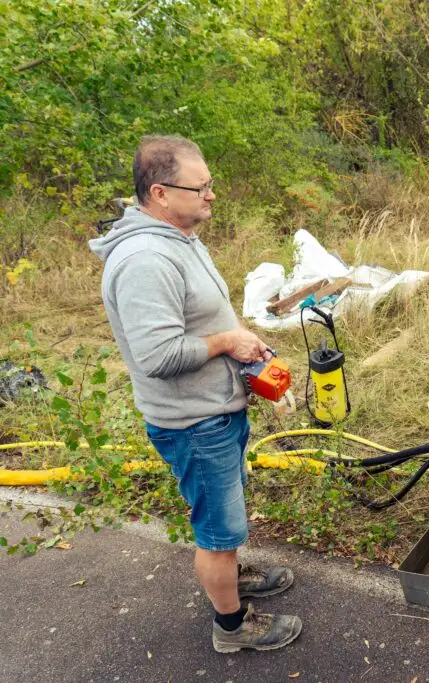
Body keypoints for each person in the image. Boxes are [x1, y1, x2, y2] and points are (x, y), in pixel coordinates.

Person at [89, 135, 302, 653]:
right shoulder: (144, 260)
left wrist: (243, 344)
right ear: (160, 193)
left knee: (222, 516)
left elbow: (193, 320)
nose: (211, 195)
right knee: (217, 528)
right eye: (200, 187)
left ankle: (232, 569)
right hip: (195, 422)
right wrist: (228, 341)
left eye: (211, 185)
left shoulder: (178, 237)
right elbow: (158, 356)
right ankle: (232, 628)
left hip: (215, 410)